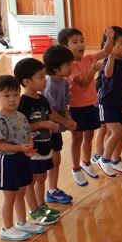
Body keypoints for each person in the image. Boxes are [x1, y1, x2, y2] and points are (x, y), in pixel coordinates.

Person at [0, 73, 43, 242]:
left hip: (22, 158)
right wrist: (20, 148)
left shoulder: (20, 116)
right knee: (10, 196)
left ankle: (22, 222)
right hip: (7, 161)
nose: (12, 99)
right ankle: (7, 228)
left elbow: (28, 134)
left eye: (15, 95)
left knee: (21, 192)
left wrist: (28, 147)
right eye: (6, 96)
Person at [60, 26, 112, 184]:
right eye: (75, 42)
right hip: (76, 107)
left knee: (89, 135)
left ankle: (86, 162)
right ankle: (76, 168)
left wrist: (109, 38)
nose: (80, 44)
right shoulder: (70, 66)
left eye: (82, 41)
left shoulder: (89, 58)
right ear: (65, 47)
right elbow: (83, 83)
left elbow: (106, 52)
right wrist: (93, 71)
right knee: (78, 137)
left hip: (91, 104)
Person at [15, 57, 62, 225]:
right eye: (41, 77)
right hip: (33, 150)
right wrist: (43, 124)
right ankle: (34, 211)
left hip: (45, 146)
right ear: (27, 81)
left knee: (41, 177)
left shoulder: (42, 99)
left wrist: (58, 124)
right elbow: (23, 126)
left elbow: (49, 113)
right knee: (31, 180)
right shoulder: (22, 102)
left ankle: (41, 205)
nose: (45, 80)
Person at [96, 27, 122, 177]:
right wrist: (111, 55)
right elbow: (108, 74)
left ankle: (115, 160)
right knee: (116, 131)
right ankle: (104, 159)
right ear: (112, 46)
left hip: (118, 102)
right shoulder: (108, 61)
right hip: (107, 103)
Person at [42, 44, 77, 204]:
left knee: (56, 158)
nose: (71, 67)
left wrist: (69, 120)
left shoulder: (63, 82)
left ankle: (52, 189)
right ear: (56, 69)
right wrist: (66, 122)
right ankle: (49, 191)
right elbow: (51, 112)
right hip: (47, 130)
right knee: (51, 160)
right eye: (68, 65)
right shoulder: (49, 85)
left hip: (56, 128)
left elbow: (64, 107)